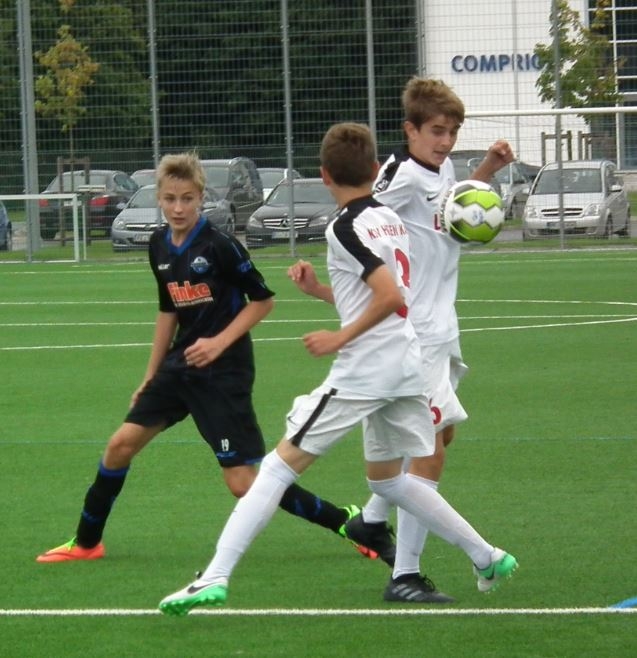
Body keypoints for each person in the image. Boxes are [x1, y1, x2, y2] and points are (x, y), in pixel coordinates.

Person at [158, 122, 517, 616]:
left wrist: (339, 338)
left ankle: (214, 577)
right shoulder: (389, 218)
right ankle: (487, 556)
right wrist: (319, 292)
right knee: (388, 482)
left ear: (324, 175)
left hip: (366, 371)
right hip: (405, 365)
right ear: (375, 169)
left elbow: (388, 296)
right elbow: (384, 294)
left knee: (275, 468)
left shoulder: (343, 228)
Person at [36, 152, 372, 564]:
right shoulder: (158, 244)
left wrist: (218, 343)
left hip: (224, 373)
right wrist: (151, 374)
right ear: (159, 198)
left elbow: (262, 301)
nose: (178, 207)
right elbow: (168, 310)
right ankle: (87, 542)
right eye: (170, 199)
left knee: (243, 482)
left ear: (200, 198)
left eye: (187, 199)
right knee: (120, 445)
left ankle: (345, 520)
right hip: (181, 367)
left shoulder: (220, 245)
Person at [342, 76, 516, 603]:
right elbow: (359, 217)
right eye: (437, 131)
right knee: (428, 452)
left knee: (441, 438)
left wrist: (485, 172)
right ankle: (405, 575)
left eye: (453, 132)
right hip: (412, 333)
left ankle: (374, 519)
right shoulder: (398, 175)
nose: (446, 141)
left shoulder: (444, 171)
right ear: (411, 130)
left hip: (440, 327)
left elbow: (444, 215)